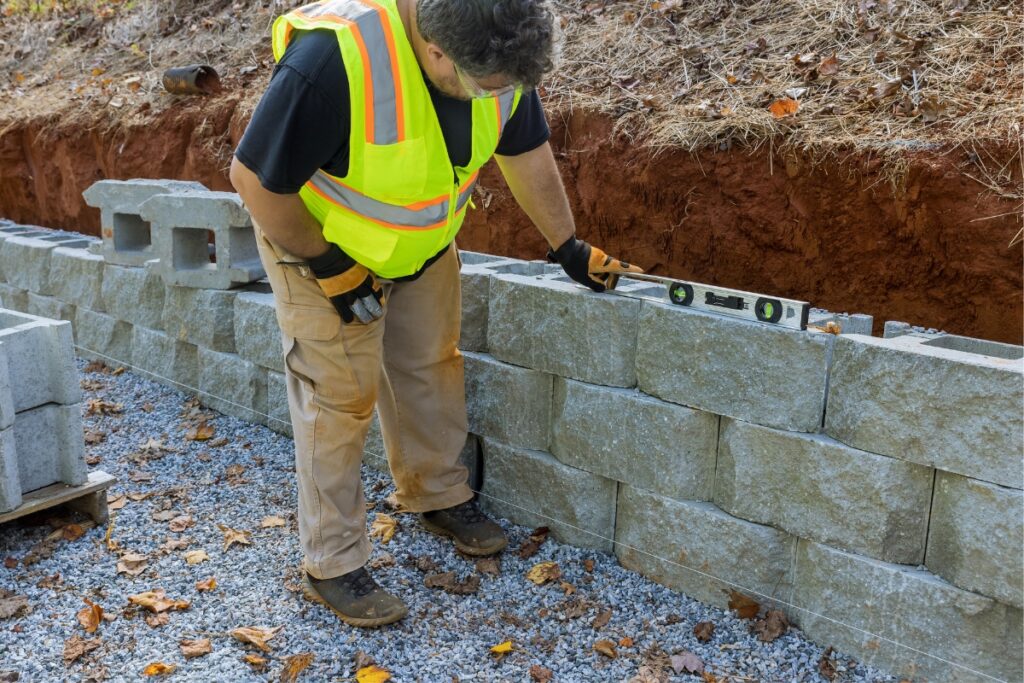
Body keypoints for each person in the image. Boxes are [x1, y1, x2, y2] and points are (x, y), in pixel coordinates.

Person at [229, 0, 642, 628]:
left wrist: (568, 246)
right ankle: (332, 563)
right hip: (317, 241)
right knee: (340, 399)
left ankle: (436, 494)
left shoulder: (500, 52)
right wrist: (330, 265)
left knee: (429, 363)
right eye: (487, 88)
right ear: (438, 51)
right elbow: (255, 181)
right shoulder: (334, 59)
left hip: (419, 246)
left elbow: (524, 150)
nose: (496, 98)